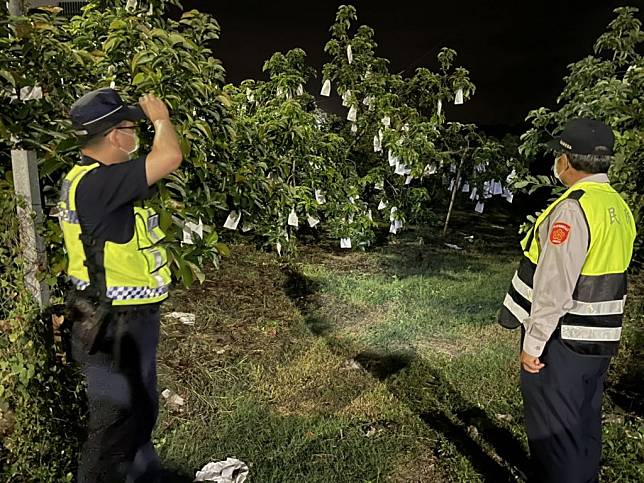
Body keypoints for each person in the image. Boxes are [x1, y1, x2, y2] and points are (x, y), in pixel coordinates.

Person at [497, 118, 637, 483]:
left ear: (569, 159)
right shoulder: (618, 206)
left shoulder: (573, 209)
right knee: (584, 423)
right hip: (600, 340)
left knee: (555, 437)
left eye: (560, 154)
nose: (557, 161)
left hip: (563, 341)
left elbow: (555, 286)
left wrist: (534, 343)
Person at [58, 88, 182, 482]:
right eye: (132, 128)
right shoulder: (100, 183)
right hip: (113, 324)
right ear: (114, 135)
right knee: (114, 426)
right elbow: (169, 157)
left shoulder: (89, 179)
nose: (137, 137)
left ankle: (145, 476)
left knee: (139, 412)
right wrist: (160, 118)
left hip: (117, 317)